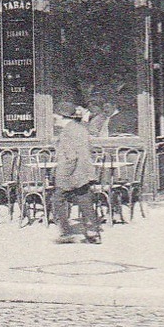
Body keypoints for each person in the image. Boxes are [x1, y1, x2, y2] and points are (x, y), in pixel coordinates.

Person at [50, 100, 101, 244]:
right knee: (85, 200)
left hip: (71, 173)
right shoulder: (81, 128)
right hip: (84, 172)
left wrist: (62, 178)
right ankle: (93, 232)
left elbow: (70, 158)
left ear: (62, 117)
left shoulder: (66, 132)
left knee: (57, 200)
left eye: (55, 118)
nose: (54, 121)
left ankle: (66, 233)